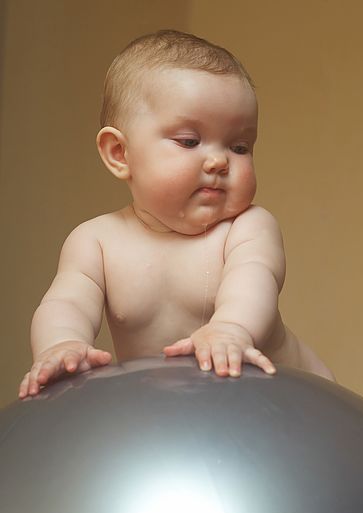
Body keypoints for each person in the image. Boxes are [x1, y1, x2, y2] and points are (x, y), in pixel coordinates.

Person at [18, 30, 333, 399]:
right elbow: (66, 302)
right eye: (189, 141)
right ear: (119, 153)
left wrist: (231, 328)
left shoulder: (247, 228)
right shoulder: (96, 241)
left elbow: (255, 279)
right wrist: (61, 345)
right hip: (184, 413)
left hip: (292, 402)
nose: (218, 161)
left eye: (239, 146)